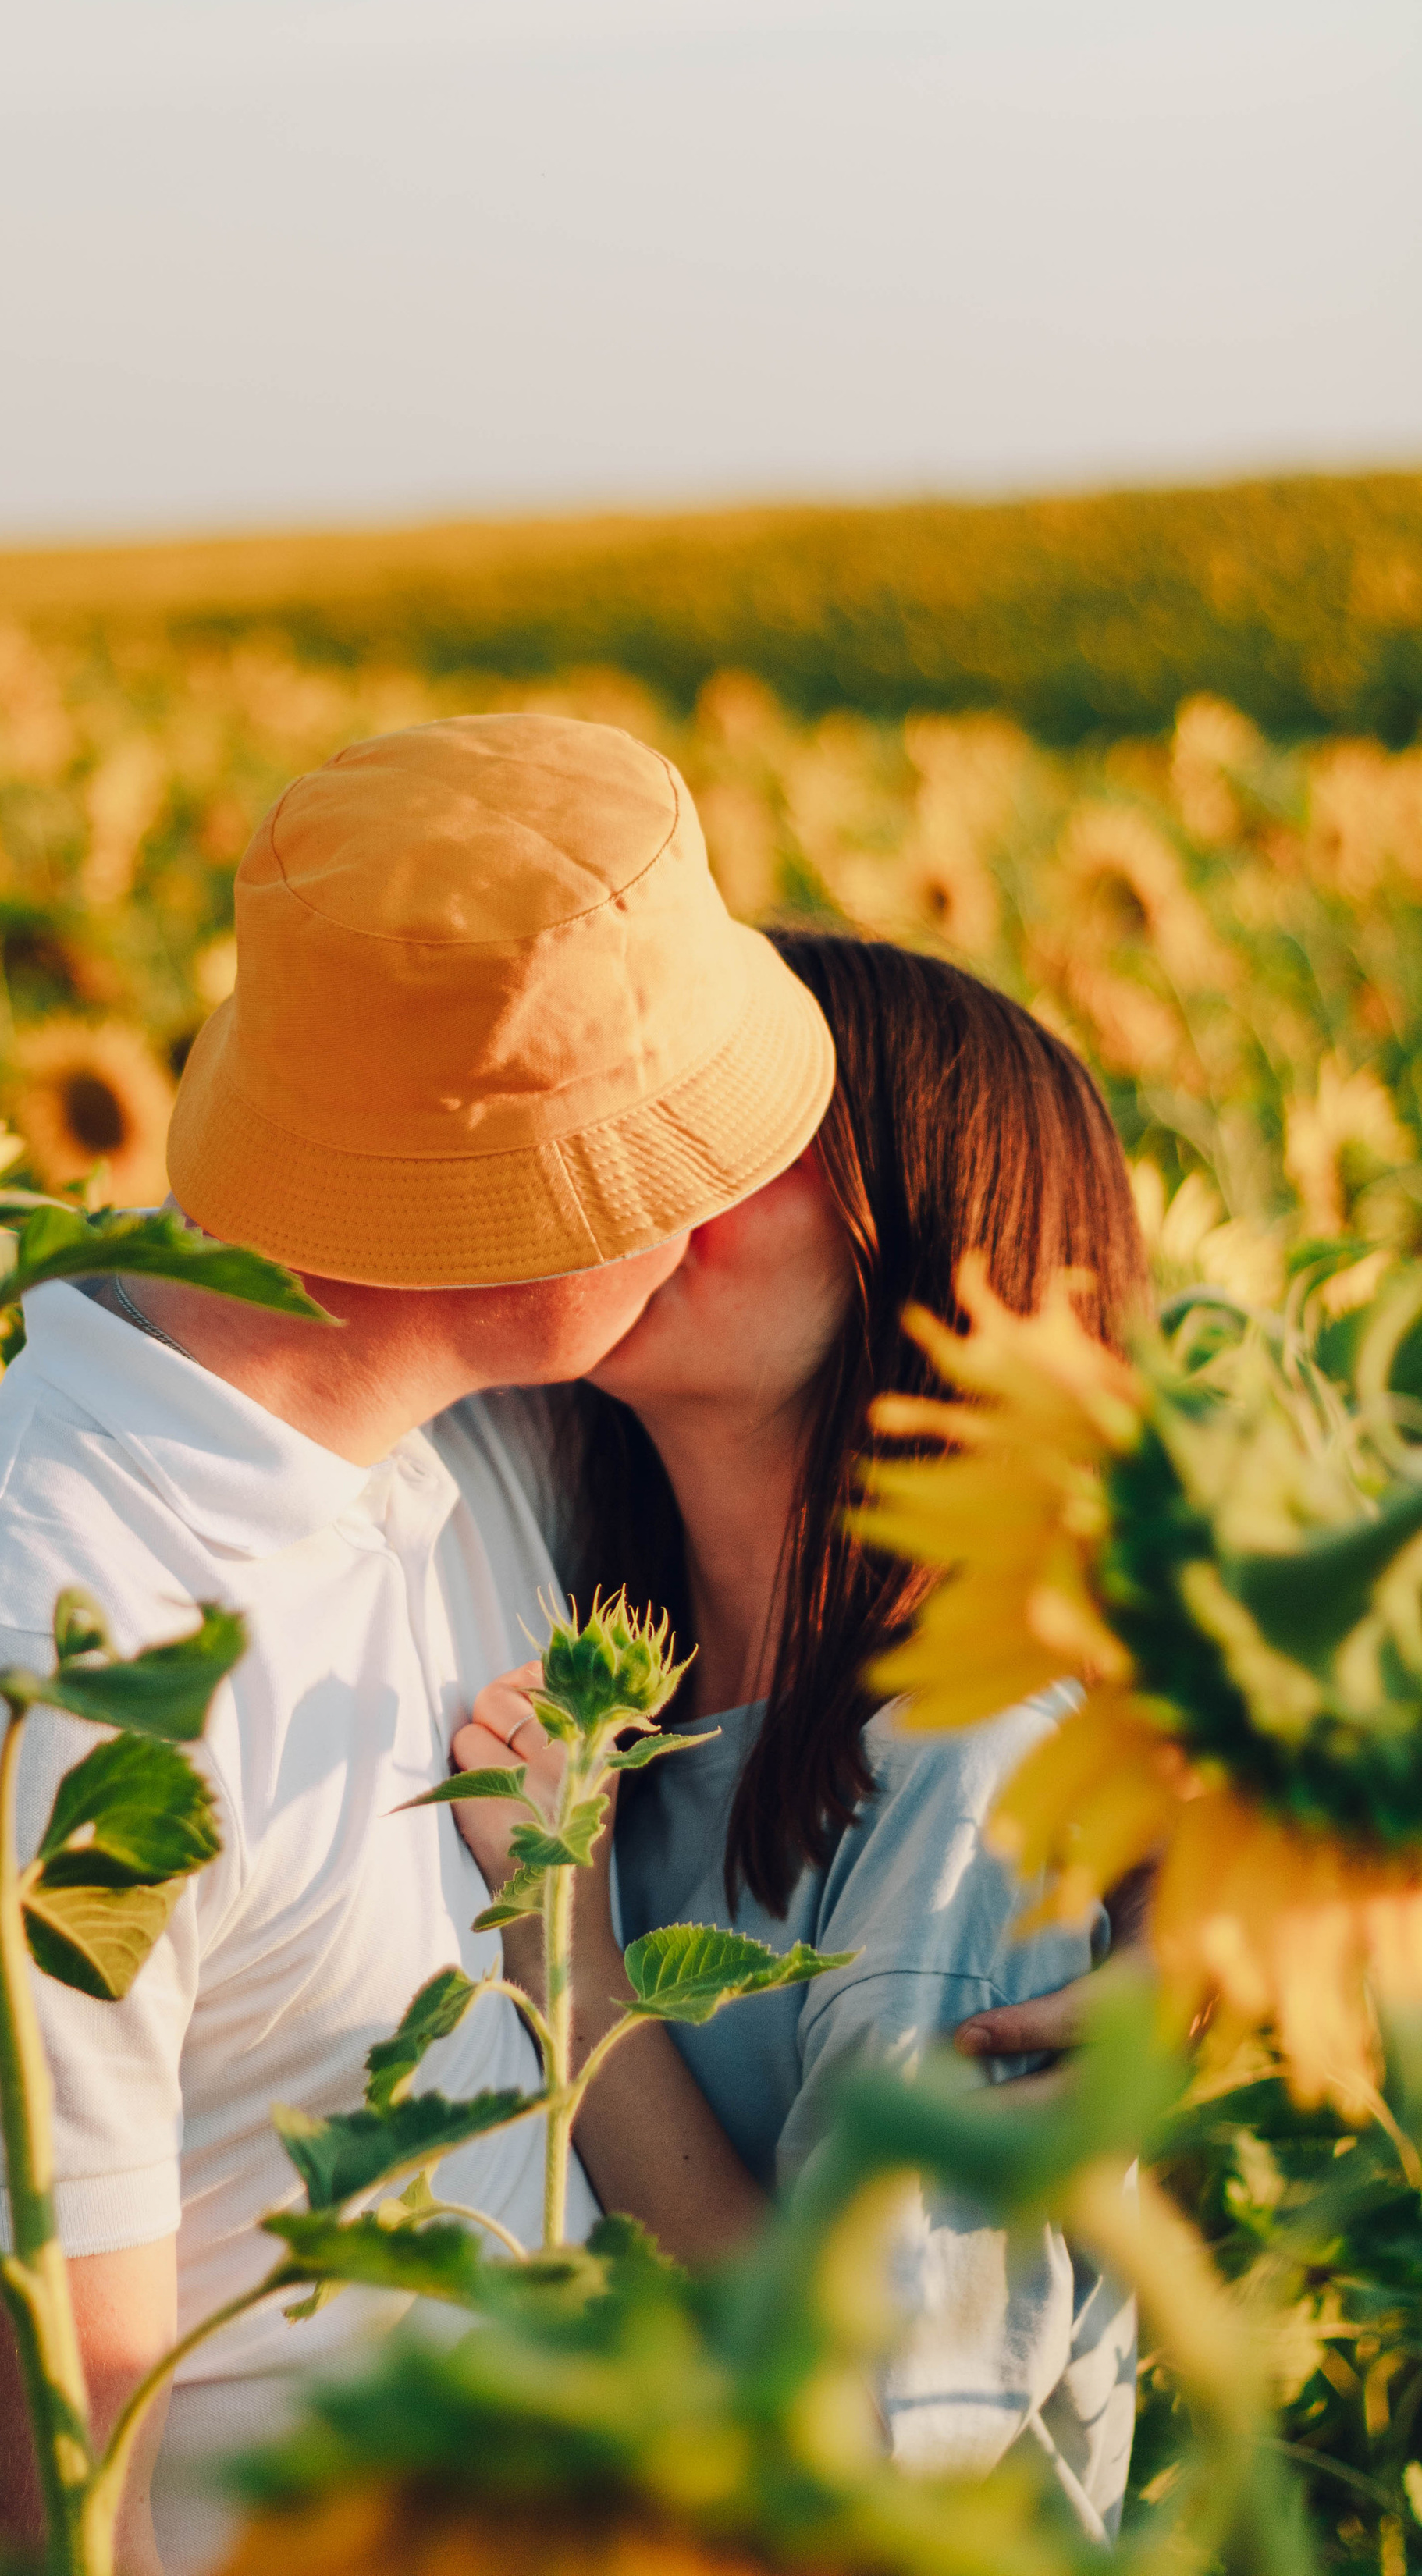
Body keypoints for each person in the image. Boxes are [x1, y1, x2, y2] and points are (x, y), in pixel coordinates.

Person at [0, 712, 837, 2574]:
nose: (707, 1205)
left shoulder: (468, 1419)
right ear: (506, 1218)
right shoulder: (24, 1704)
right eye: (660, 1148)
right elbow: (47, 2516)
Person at [450, 933, 1149, 2541]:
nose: (649, 1166)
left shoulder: (969, 1772)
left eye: (744, 1132)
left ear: (932, 1264)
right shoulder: (623, 1645)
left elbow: (845, 2442)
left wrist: (565, 1944)